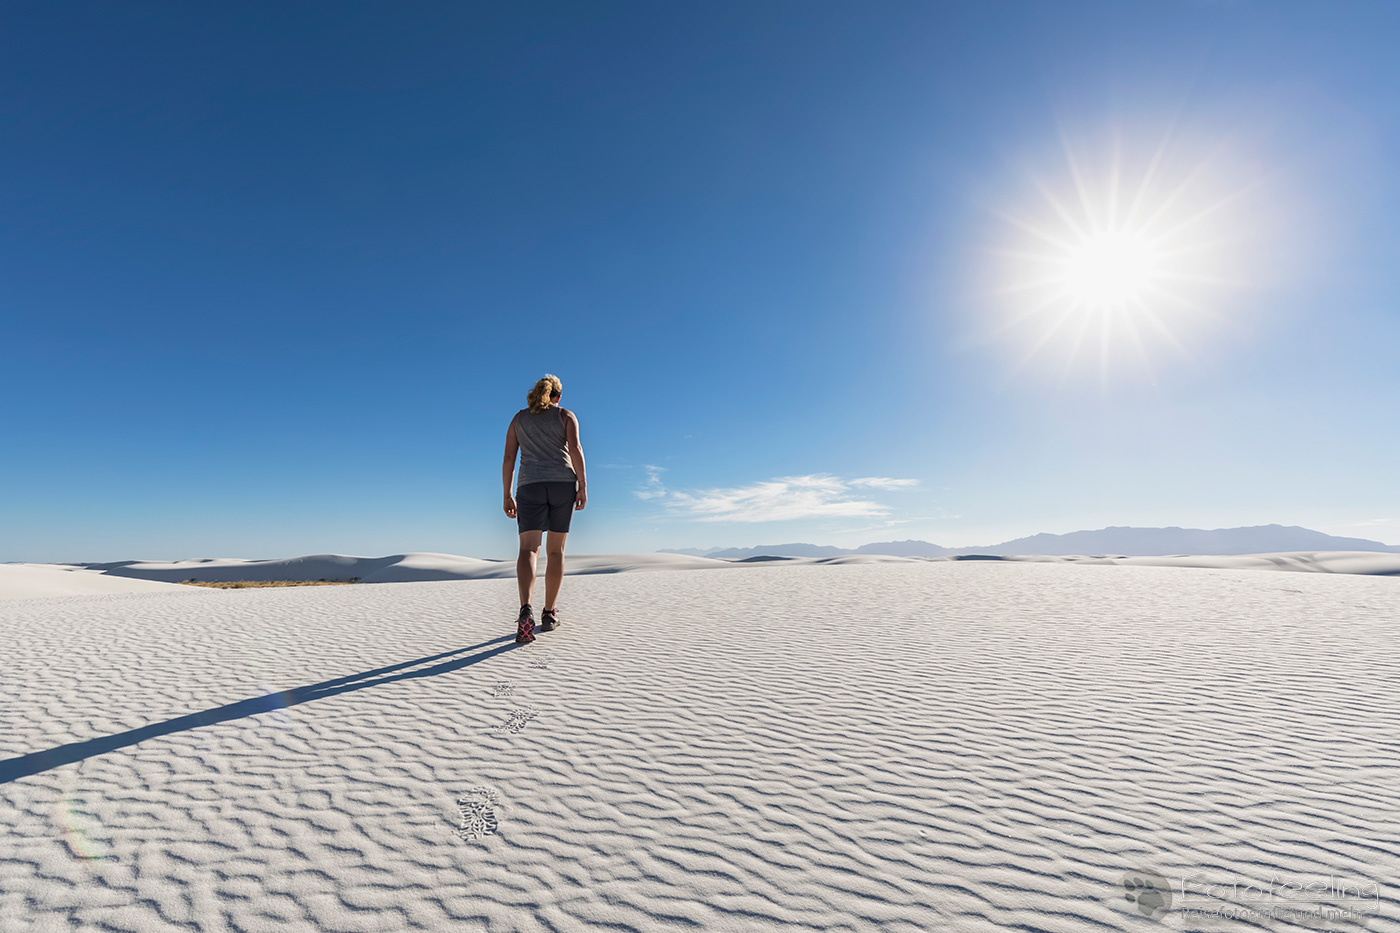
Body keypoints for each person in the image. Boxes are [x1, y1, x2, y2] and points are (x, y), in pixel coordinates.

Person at [502, 374, 587, 644]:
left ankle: (525, 609)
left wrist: (506, 493)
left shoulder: (518, 419)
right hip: (562, 484)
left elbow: (508, 458)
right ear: (558, 396)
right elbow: (574, 448)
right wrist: (583, 485)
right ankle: (549, 614)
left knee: (528, 549)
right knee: (555, 550)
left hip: (530, 486)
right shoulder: (565, 415)